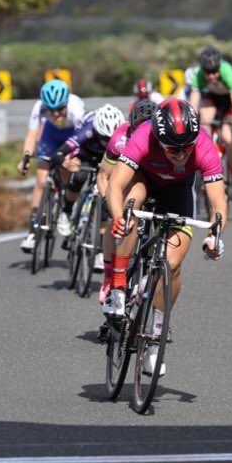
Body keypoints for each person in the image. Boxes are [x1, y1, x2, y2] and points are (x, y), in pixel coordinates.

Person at [107, 99, 228, 376]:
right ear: (159, 139)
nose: (181, 154)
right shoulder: (143, 136)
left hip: (178, 191)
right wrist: (117, 218)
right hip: (144, 179)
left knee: (172, 264)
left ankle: (155, 340)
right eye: (173, 148)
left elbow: (218, 202)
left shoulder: (204, 145)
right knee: (130, 210)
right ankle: (117, 285)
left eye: (187, 147)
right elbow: (116, 183)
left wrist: (214, 236)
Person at [96, 98, 157, 340]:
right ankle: (110, 276)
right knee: (117, 219)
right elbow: (104, 175)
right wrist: (107, 202)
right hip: (128, 180)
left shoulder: (161, 139)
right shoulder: (120, 139)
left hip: (156, 180)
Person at [17, 79, 86, 252]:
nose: (55, 114)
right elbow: (31, 134)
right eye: (51, 110)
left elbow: (81, 139)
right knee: (41, 180)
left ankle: (67, 209)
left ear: (67, 103)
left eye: (60, 109)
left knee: (65, 172)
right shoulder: (39, 107)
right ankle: (33, 230)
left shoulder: (76, 109)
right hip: (50, 136)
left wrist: (69, 161)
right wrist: (25, 158)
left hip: (72, 138)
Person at [51, 104, 126, 240]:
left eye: (110, 139)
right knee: (80, 176)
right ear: (97, 131)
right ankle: (67, 211)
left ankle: (99, 250)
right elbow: (58, 154)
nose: (107, 142)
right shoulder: (87, 130)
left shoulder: (124, 134)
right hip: (87, 152)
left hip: (110, 157)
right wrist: (67, 163)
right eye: (104, 138)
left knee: (107, 194)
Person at [188, 45, 232, 201]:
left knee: (228, 137)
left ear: (219, 67)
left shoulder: (228, 72)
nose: (211, 76)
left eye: (214, 71)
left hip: (228, 103)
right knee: (205, 117)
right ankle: (207, 147)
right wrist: (191, 129)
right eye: (208, 72)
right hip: (211, 100)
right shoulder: (198, 74)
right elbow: (193, 106)